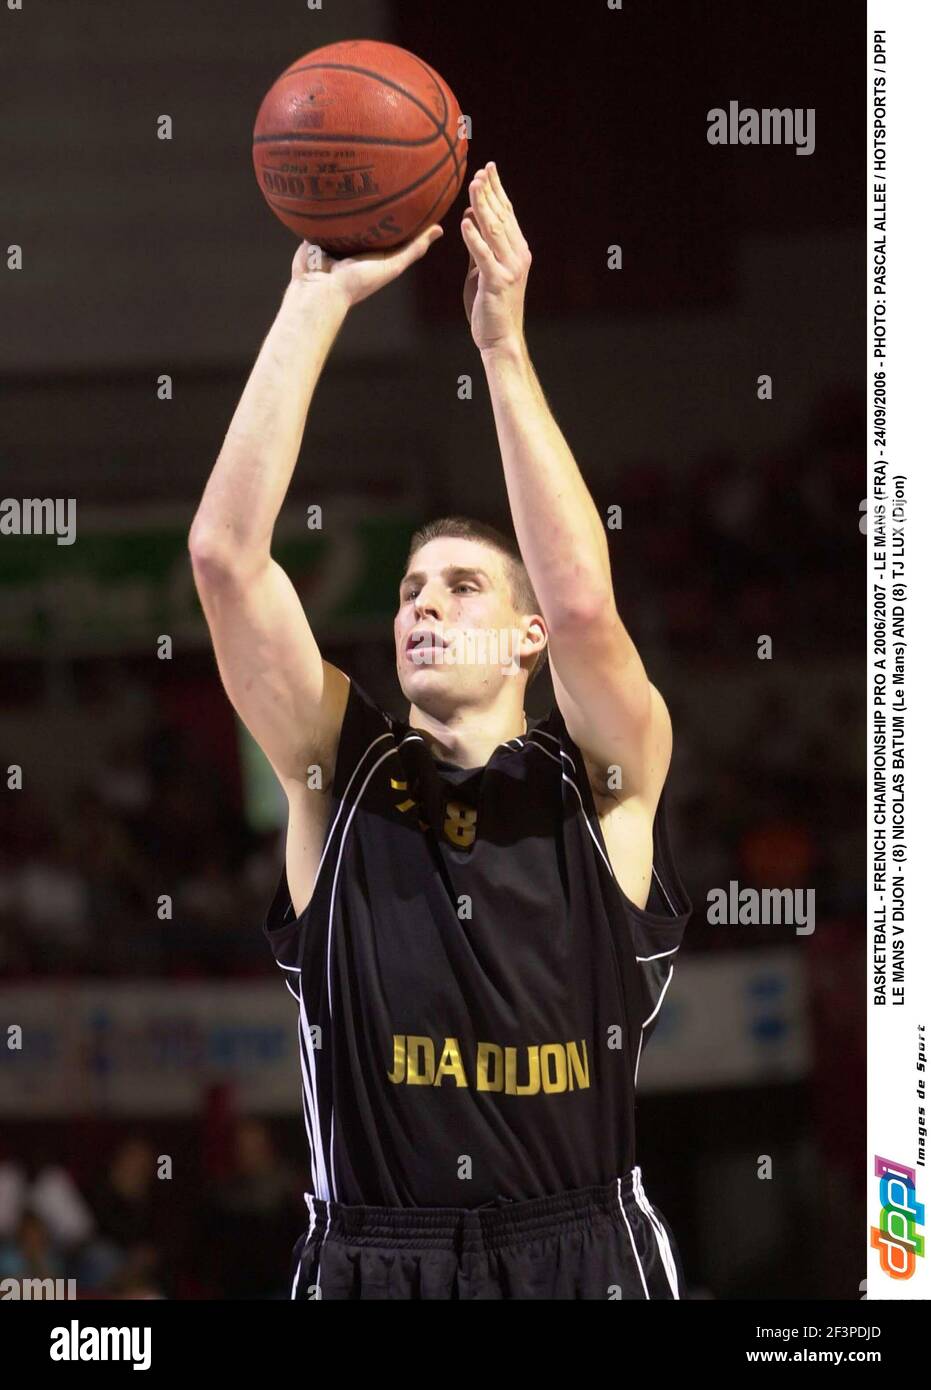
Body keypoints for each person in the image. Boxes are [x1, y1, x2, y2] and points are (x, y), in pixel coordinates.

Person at [190, 163, 692, 1300]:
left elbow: (582, 606)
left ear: (523, 639)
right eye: (411, 589)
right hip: (375, 1258)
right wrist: (312, 300)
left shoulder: (604, 784)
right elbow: (225, 559)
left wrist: (504, 348)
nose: (421, 603)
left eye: (460, 586)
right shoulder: (341, 777)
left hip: (583, 1253)